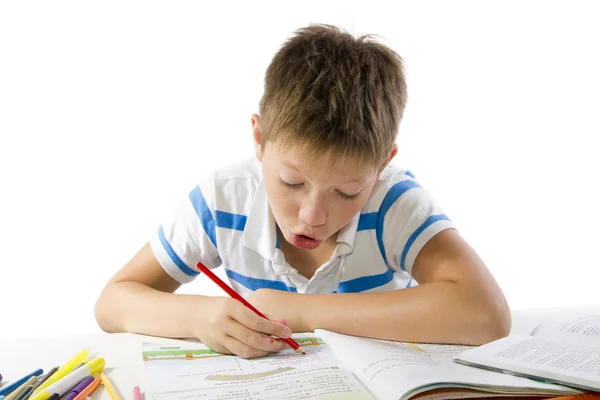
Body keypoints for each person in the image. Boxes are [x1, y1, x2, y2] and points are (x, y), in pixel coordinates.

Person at [94, 24, 511, 359]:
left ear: (382, 164)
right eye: (292, 182)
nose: (312, 215)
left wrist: (298, 312)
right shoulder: (224, 199)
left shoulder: (394, 203)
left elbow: (486, 314)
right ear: (259, 139)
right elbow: (112, 303)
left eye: (347, 191)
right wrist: (200, 316)